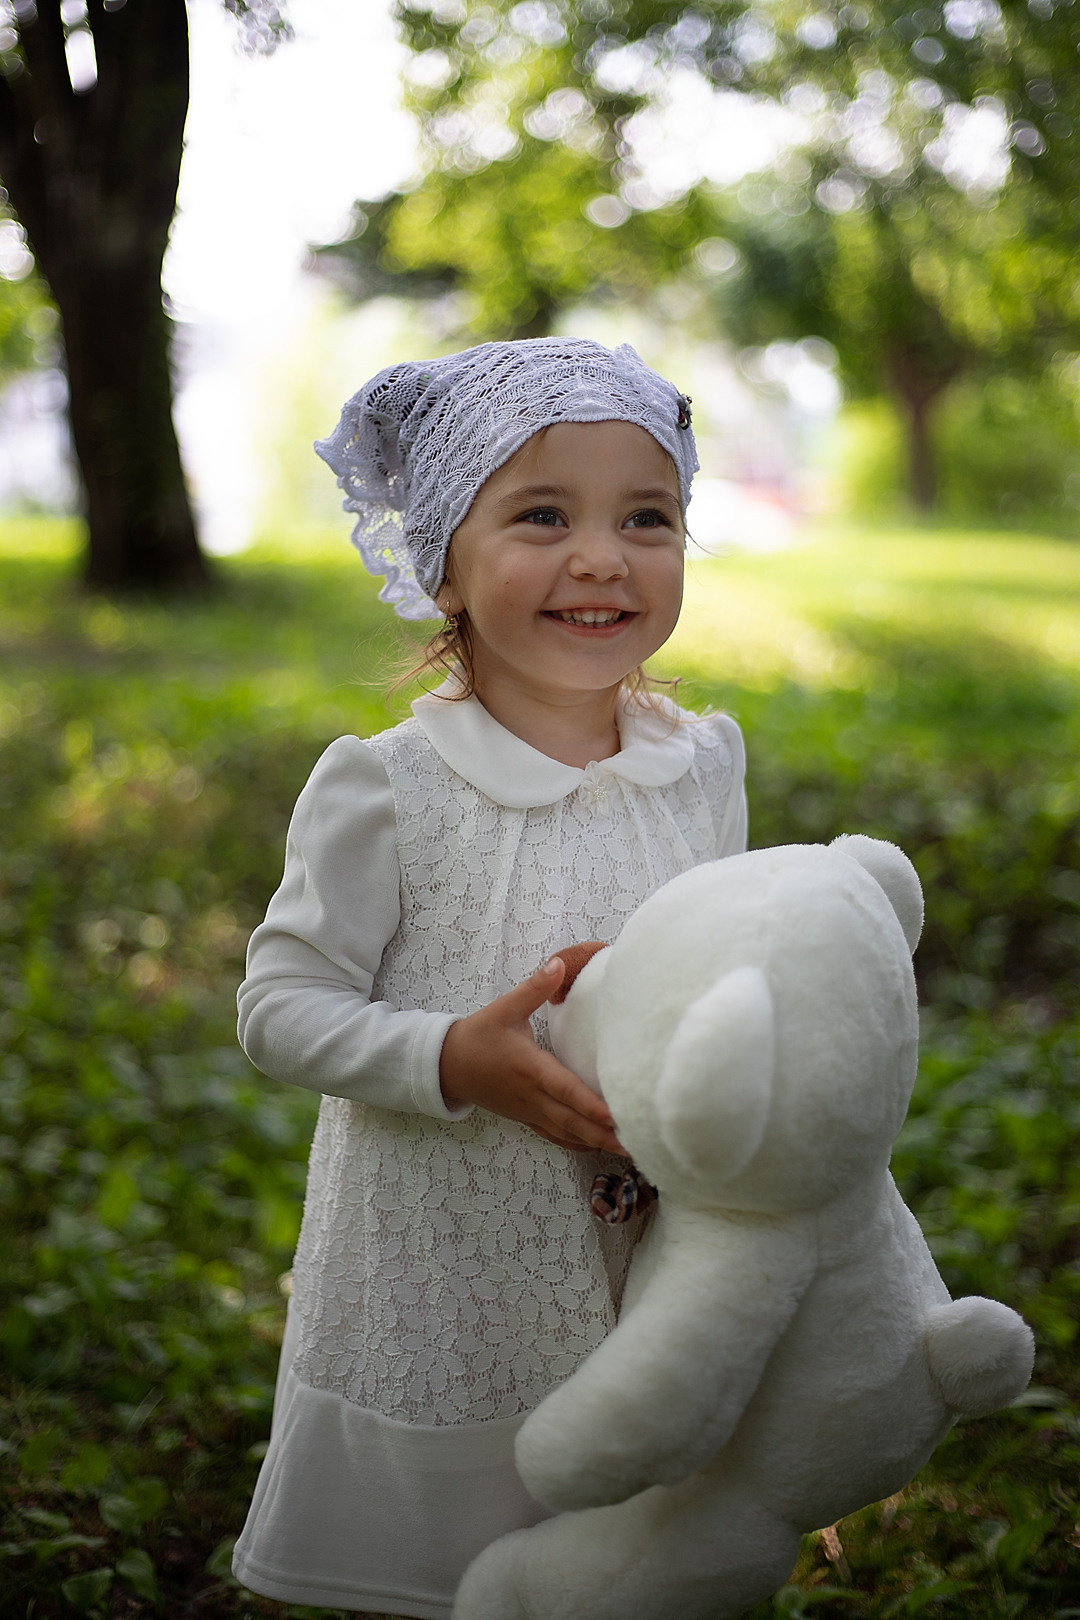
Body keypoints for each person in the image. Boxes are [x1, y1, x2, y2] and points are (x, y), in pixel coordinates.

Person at [231, 337, 748, 1618]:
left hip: (652, 1253)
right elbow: (280, 1008)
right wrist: (449, 1056)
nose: (600, 556)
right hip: (446, 1265)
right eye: (540, 516)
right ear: (444, 565)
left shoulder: (704, 768)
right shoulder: (391, 784)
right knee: (457, 1573)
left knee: (619, 1558)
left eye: (648, 516)